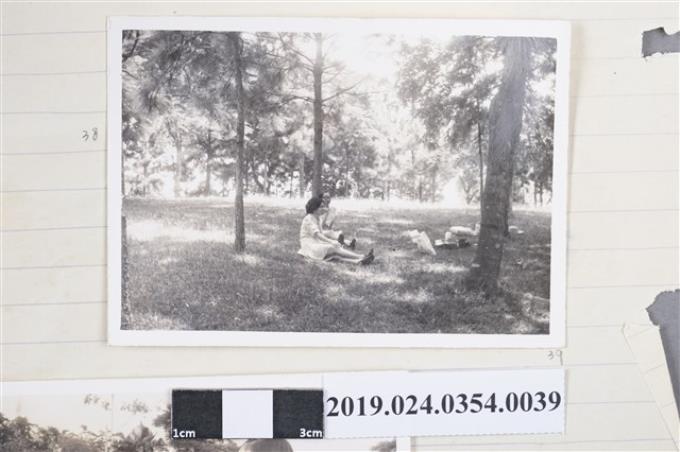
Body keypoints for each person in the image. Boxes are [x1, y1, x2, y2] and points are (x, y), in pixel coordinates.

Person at [298, 196, 374, 265]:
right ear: (314, 208)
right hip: (309, 246)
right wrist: (331, 241)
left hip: (315, 243)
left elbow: (321, 233)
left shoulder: (317, 218)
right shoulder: (309, 218)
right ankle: (361, 257)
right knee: (333, 248)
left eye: (323, 206)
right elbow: (317, 234)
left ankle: (359, 261)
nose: (323, 208)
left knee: (335, 255)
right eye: (321, 207)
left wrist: (327, 211)